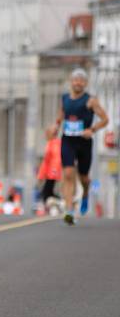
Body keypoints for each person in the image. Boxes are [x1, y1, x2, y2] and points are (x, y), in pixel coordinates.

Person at [49, 68, 109, 225]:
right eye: (76, 79)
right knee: (68, 174)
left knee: (83, 177)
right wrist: (56, 126)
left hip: (84, 142)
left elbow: (105, 119)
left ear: (85, 83)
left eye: (82, 80)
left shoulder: (91, 100)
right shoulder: (65, 99)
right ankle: (69, 210)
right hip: (68, 140)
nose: (78, 83)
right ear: (71, 81)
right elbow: (61, 116)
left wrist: (92, 130)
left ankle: (85, 194)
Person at [37, 125, 62, 205]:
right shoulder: (55, 143)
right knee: (49, 191)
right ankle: (57, 204)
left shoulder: (53, 144)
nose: (46, 135)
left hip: (52, 172)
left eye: (47, 133)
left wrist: (42, 175)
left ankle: (60, 203)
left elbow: (49, 161)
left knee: (46, 192)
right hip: (52, 172)